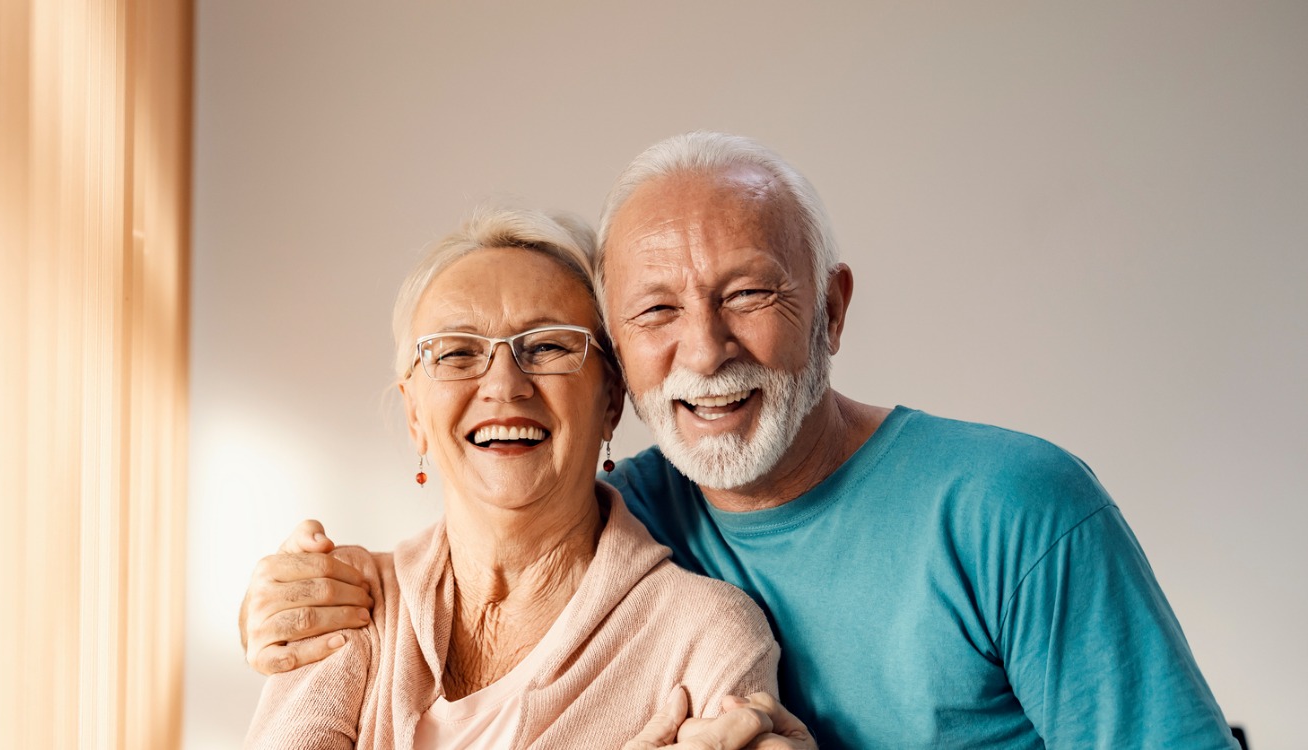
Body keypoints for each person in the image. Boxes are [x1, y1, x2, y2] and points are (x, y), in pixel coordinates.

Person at [241, 132, 1239, 748]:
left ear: (832, 312)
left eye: (750, 293)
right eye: (657, 311)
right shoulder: (633, 506)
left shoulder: (1013, 507)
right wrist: (280, 603)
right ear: (625, 368)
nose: (705, 350)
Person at [244, 207, 801, 749]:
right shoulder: (347, 605)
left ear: (611, 400)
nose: (504, 385)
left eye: (548, 347)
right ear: (415, 413)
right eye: (457, 353)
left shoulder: (706, 637)